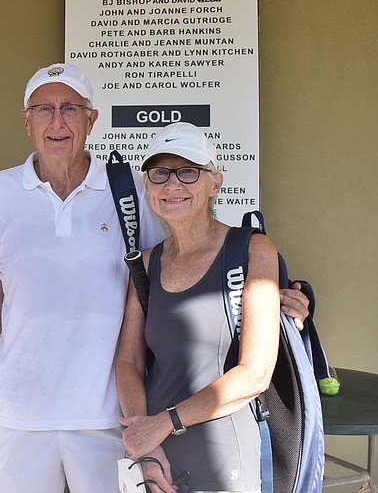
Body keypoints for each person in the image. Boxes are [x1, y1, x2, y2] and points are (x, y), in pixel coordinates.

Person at [0, 63, 310, 493]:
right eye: (43, 109)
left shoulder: (126, 192)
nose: (57, 122)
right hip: (21, 415)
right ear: (26, 120)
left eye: (70, 108)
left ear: (91, 120)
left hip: (112, 420)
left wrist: (268, 295)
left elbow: (187, 266)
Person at [115, 122, 280, 492]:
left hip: (224, 459)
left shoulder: (253, 250)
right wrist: (148, 444)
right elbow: (128, 362)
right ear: (148, 186)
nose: (172, 185)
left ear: (214, 184)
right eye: (159, 173)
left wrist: (163, 424)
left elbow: (255, 374)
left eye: (188, 172)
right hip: (155, 459)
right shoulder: (144, 264)